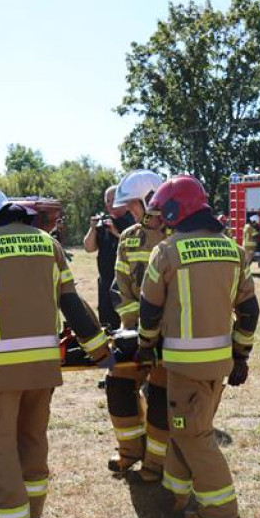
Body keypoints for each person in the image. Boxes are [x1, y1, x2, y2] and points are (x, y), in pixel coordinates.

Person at [0, 187, 113, 518]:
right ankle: (33, 512)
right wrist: (100, 351)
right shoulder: (48, 243)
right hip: (43, 368)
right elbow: (72, 305)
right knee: (32, 438)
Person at [138, 175, 260, 518]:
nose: (161, 219)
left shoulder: (167, 251)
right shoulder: (234, 251)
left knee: (192, 435)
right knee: (190, 429)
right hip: (218, 365)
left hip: (184, 367)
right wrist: (241, 355)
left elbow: (149, 310)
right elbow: (249, 311)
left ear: (175, 211)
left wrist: (145, 346)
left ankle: (220, 510)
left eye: (163, 212)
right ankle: (175, 495)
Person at [104, 169, 169, 481]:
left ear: (151, 200)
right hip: (135, 333)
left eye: (132, 205)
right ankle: (129, 451)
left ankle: (156, 464)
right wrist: (132, 329)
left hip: (169, 335)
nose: (129, 211)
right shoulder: (129, 237)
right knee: (117, 384)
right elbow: (120, 286)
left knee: (160, 396)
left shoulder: (176, 236)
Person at [83, 186, 135, 329]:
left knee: (128, 325)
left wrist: (116, 232)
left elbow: (137, 245)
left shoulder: (133, 221)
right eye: (107, 200)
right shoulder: (103, 222)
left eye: (114, 199)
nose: (110, 204)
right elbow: (89, 248)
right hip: (105, 283)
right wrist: (93, 228)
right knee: (107, 324)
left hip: (126, 285)